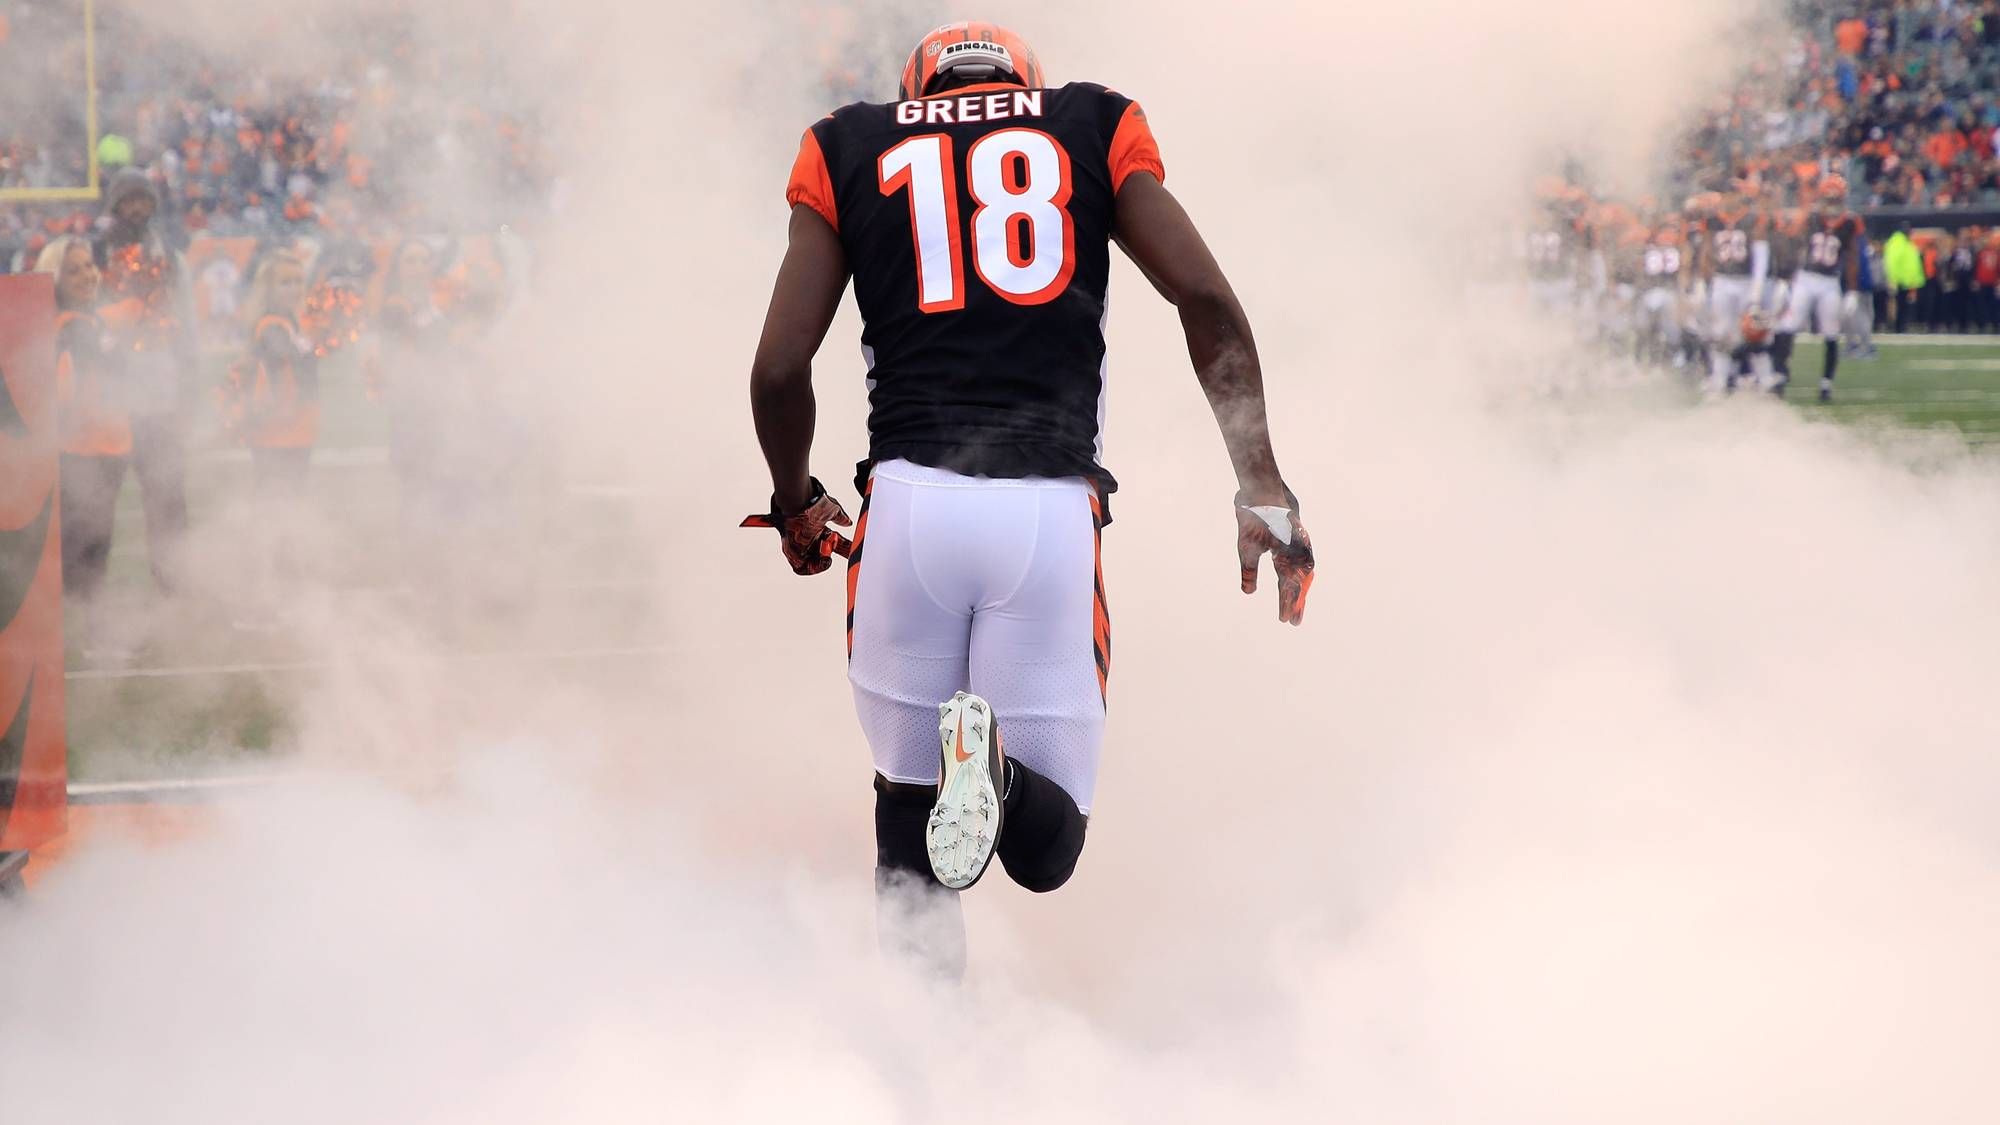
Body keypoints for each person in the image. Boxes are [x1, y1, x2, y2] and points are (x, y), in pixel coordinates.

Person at [743, 21, 1313, 974]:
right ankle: (999, 775)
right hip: (1044, 513)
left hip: (909, 508)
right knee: (1047, 853)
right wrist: (1261, 481)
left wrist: (795, 498)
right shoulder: (1092, 123)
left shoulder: (846, 143)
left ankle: (923, 1046)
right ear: (1026, 83)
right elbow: (1205, 300)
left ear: (919, 91)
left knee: (908, 831)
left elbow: (777, 369)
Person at [93, 169, 192, 593]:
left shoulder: (168, 255)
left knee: (168, 498)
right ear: (115, 205)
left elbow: (187, 323)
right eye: (129, 200)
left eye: (144, 200)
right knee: (96, 503)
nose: (137, 208)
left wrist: (187, 378)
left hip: (159, 393)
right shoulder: (96, 254)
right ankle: (87, 591)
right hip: (109, 399)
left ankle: (174, 582)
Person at [35, 236, 130, 655]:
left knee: (94, 544)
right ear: (53, 278)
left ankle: (88, 630)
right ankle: (85, 632)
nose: (87, 275)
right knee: (82, 546)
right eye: (72, 270)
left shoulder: (93, 321)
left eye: (88, 265)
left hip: (109, 446)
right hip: (81, 450)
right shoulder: (67, 326)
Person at [220, 249, 318, 627]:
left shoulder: (290, 322)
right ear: (268, 288)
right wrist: (319, 340)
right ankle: (258, 599)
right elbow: (282, 356)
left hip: (294, 434)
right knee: (273, 515)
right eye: (284, 282)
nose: (294, 288)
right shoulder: (273, 325)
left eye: (298, 281)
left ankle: (280, 594)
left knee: (283, 512)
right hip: (278, 435)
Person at [1780, 175, 1861, 401]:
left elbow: (1852, 257)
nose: (1832, 203)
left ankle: (1826, 382)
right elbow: (1793, 241)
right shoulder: (1812, 217)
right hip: (1806, 278)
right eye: (1829, 198)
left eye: (1836, 198)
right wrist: (1786, 276)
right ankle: (1780, 371)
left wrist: (1852, 290)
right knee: (1789, 325)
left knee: (1831, 331)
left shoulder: (1850, 222)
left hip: (1829, 281)